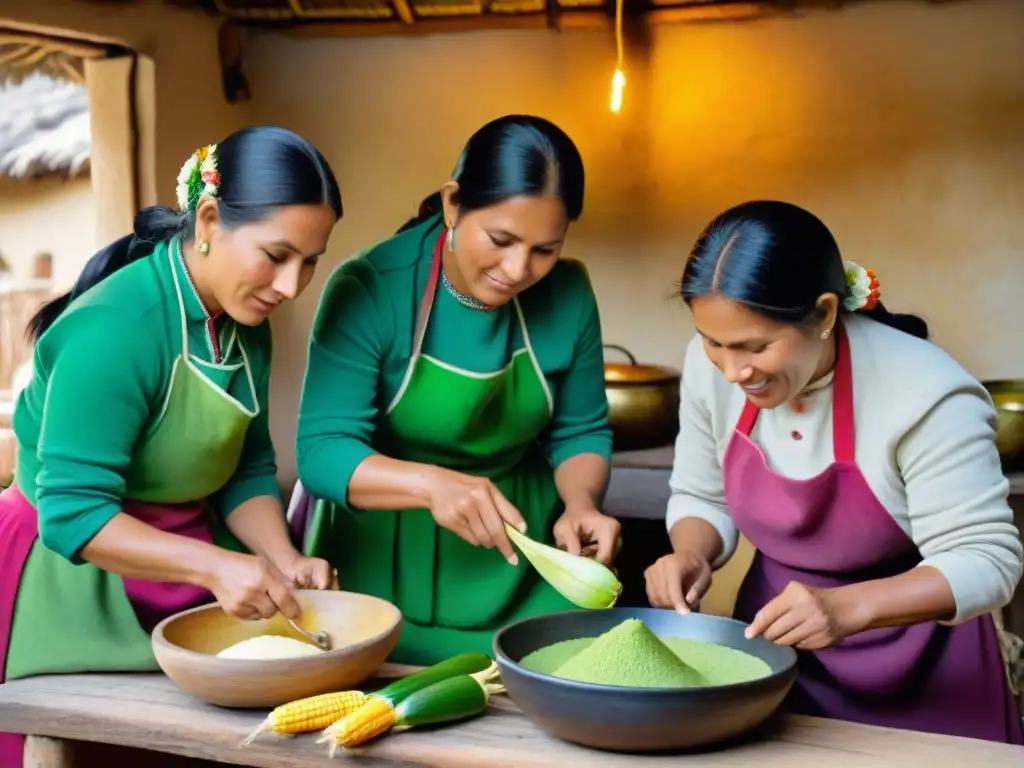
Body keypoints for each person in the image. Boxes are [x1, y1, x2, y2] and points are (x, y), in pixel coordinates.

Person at [0, 126, 343, 765]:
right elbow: (72, 516)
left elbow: (246, 466)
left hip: (182, 563)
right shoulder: (113, 329)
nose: (292, 286)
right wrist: (213, 566)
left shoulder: (245, 324)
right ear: (209, 218)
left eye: (311, 261)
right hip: (63, 577)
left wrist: (281, 554)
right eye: (276, 254)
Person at [645, 199, 1024, 744]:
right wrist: (692, 552)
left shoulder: (924, 391)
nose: (731, 371)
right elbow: (702, 496)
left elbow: (988, 560)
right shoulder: (715, 373)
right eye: (713, 343)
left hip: (930, 669)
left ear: (824, 314)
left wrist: (845, 609)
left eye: (755, 346)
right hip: (778, 655)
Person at [292, 114, 621, 665]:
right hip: (378, 563)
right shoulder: (370, 287)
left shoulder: (569, 293)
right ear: (452, 204)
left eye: (546, 249)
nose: (518, 268)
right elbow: (322, 451)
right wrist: (430, 486)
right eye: (501, 239)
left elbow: (581, 429)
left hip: (522, 559)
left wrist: (581, 502)